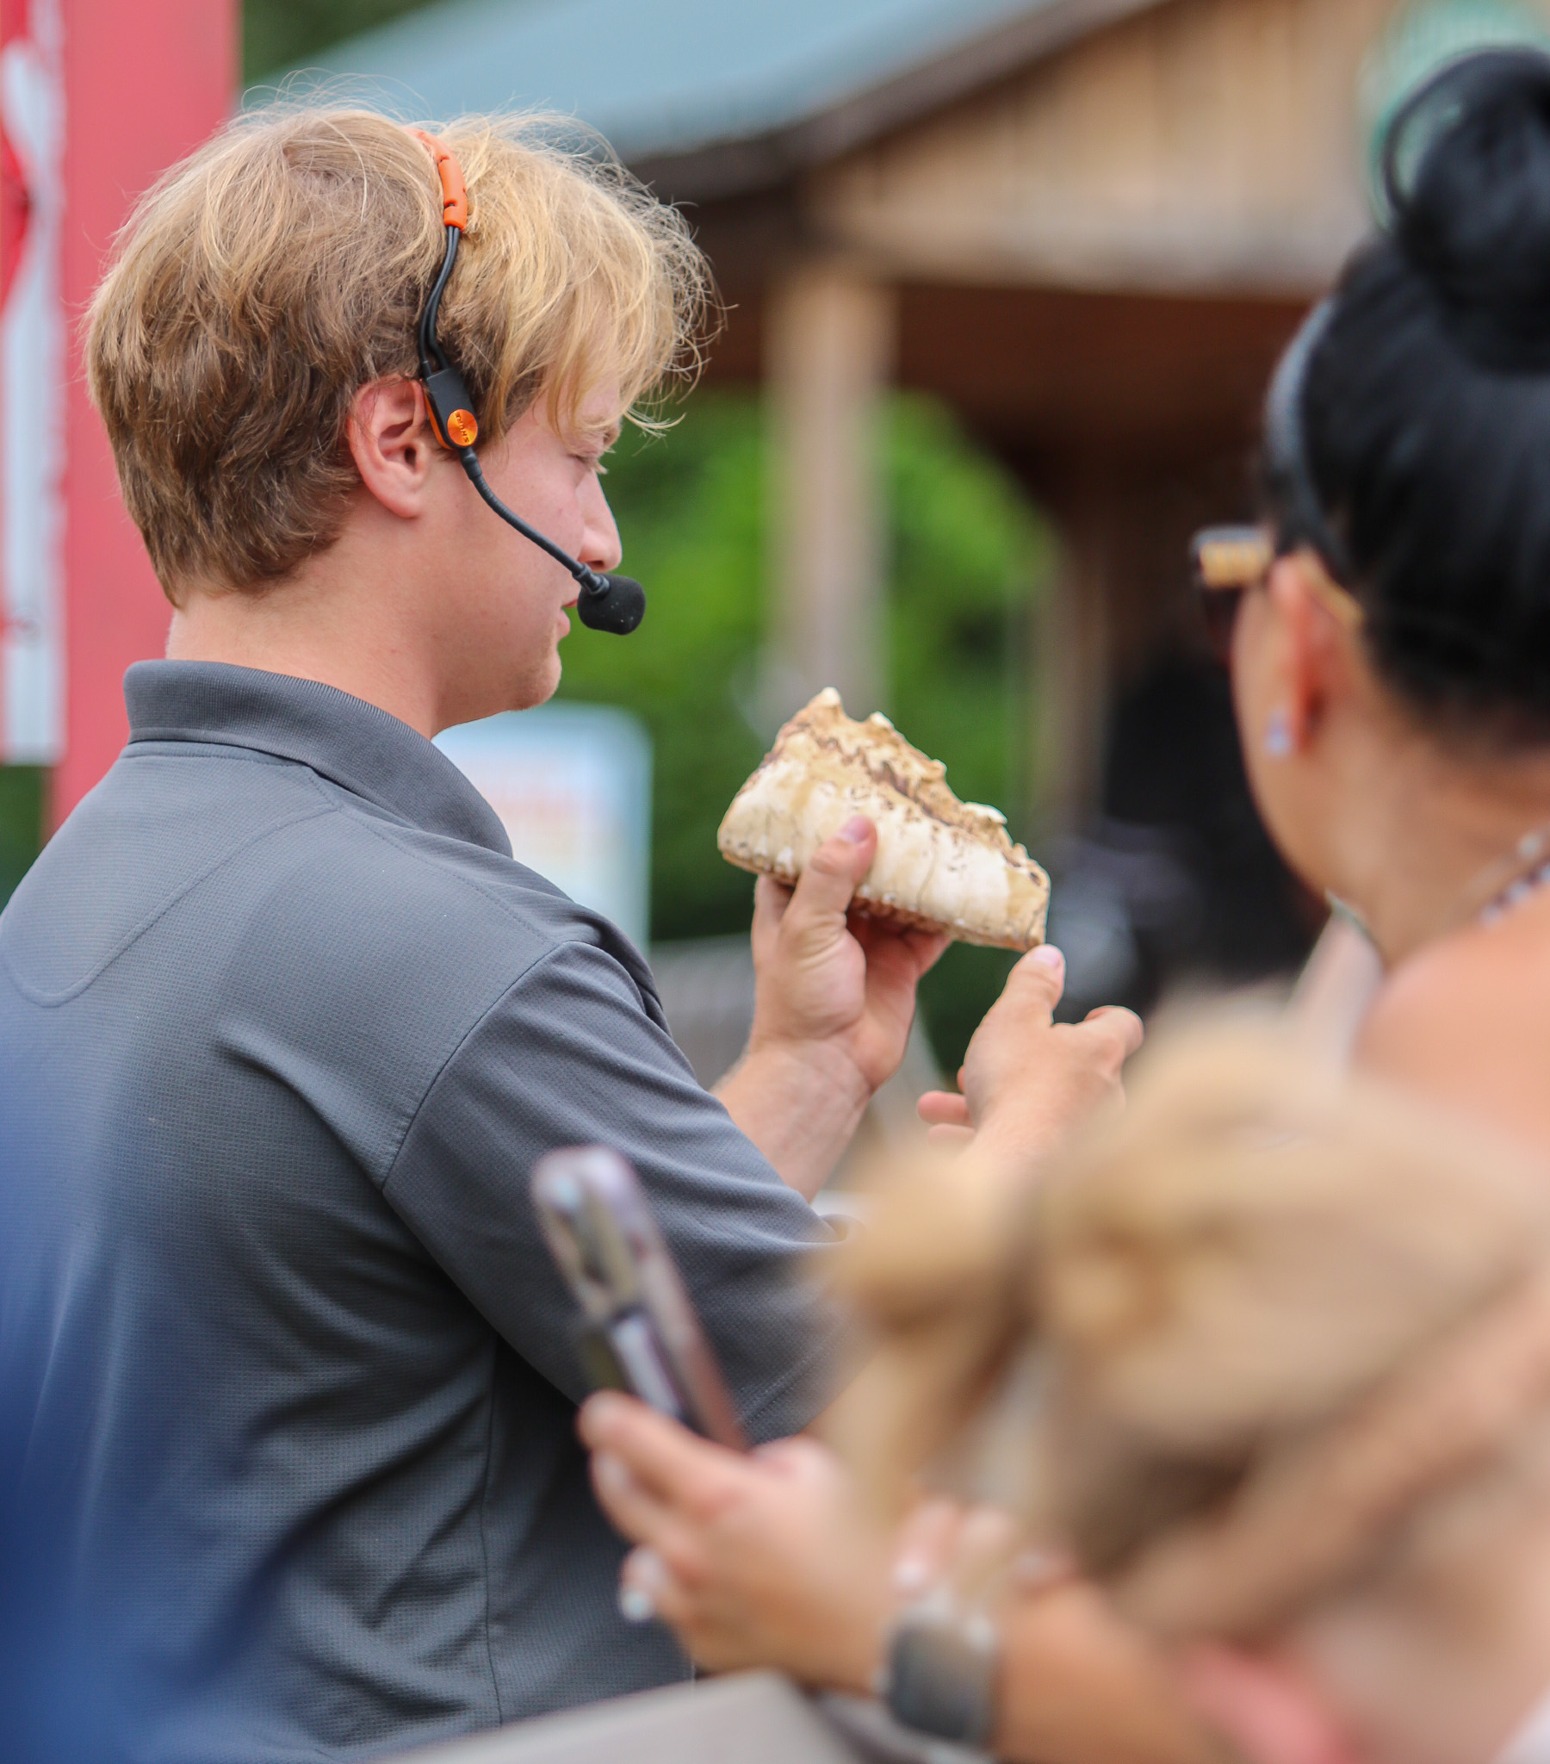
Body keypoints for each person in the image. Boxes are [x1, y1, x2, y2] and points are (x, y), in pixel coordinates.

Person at [0, 105, 1139, 1764]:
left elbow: (584, 1304)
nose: (603, 542)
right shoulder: (433, 943)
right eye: (586, 456)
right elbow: (835, 1412)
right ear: (407, 441)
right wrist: (1032, 1153)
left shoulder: (87, 882)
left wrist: (805, 1072)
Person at [581, 41, 1550, 1760]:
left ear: (1296, 647)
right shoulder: (1416, 963)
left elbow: (1364, 1703)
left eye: (1231, 576)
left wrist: (866, 1615)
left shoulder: (1470, 1038)